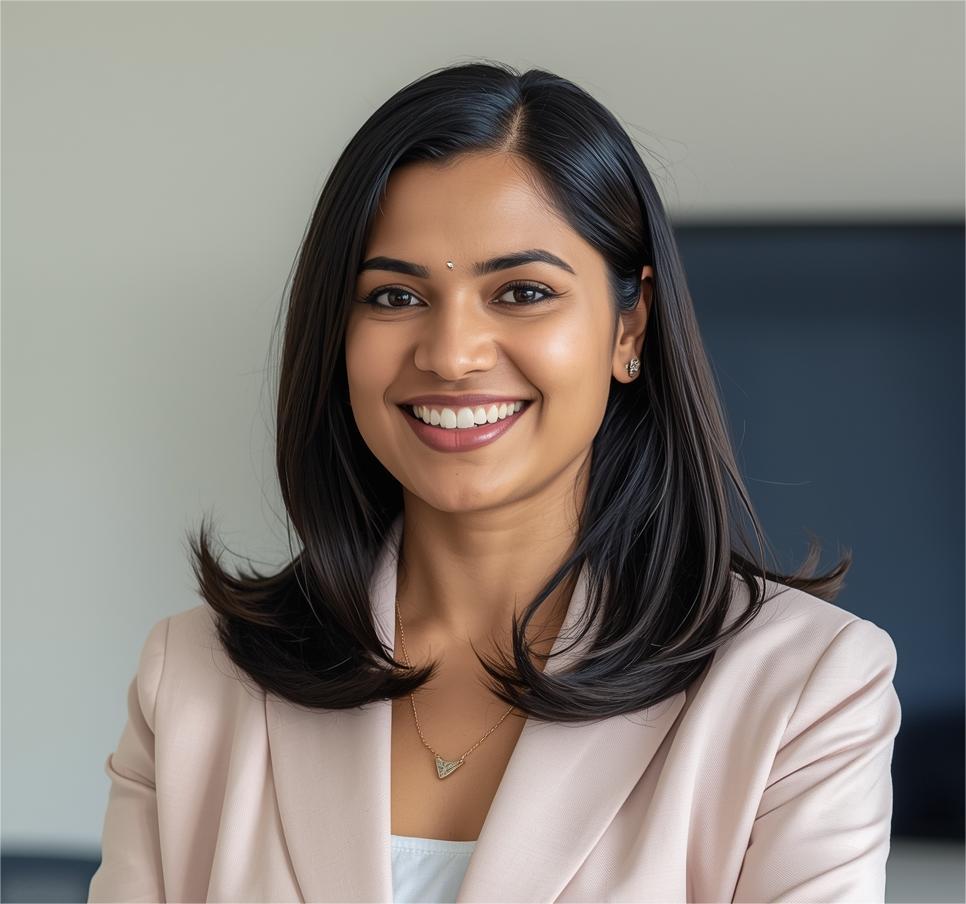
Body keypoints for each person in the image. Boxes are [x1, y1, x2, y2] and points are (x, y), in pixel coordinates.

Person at [88, 60, 901, 904]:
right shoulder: (192, 678)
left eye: (521, 291)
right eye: (395, 296)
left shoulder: (806, 686)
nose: (450, 353)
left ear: (630, 324)